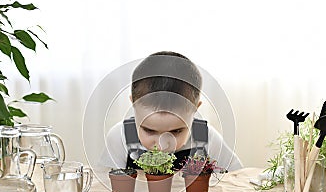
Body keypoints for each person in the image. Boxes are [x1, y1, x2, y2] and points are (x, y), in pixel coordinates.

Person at [101, 51, 242, 174]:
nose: (162, 145)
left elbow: (236, 177)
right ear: (133, 104)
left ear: (195, 109)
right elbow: (105, 188)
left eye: (176, 132)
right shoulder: (120, 137)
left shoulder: (206, 138)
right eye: (149, 130)